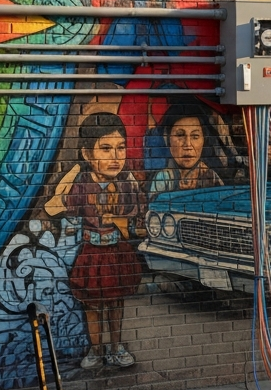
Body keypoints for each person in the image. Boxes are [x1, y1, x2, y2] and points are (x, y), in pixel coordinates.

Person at [66, 113, 145, 370]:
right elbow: (68, 211)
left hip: (117, 250)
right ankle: (96, 348)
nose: (115, 157)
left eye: (121, 148)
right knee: (91, 304)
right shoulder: (81, 186)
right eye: (106, 149)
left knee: (115, 302)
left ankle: (116, 347)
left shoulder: (127, 186)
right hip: (91, 251)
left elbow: (138, 217)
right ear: (87, 155)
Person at [148, 104, 224, 196]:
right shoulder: (164, 178)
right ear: (166, 138)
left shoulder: (211, 176)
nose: (188, 144)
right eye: (180, 135)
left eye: (195, 136)